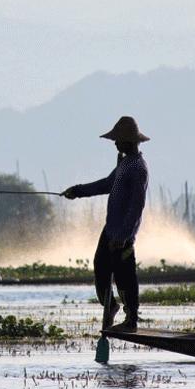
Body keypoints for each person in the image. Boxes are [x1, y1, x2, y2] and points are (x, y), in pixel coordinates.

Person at [63, 116, 149, 333]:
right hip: (110, 229)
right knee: (100, 268)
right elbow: (107, 184)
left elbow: (137, 206)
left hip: (123, 233)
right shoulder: (124, 164)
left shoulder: (138, 168)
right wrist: (78, 191)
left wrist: (124, 236)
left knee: (125, 276)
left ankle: (131, 319)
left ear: (129, 141)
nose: (115, 143)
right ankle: (110, 306)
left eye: (118, 140)